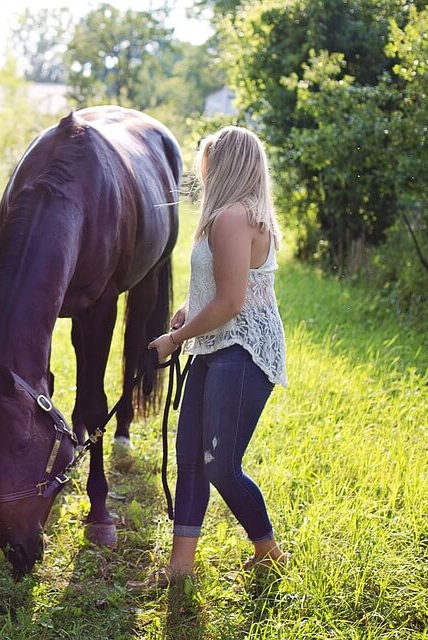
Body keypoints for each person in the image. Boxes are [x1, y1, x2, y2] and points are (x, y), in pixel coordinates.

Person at [129, 126, 289, 589]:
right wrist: (187, 311)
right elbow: (221, 288)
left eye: (208, 162)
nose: (203, 170)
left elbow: (232, 302)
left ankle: (270, 552)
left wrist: (174, 340)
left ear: (226, 165)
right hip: (215, 341)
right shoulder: (232, 215)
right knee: (191, 459)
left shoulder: (233, 218)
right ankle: (180, 570)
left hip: (241, 348)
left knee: (220, 464)